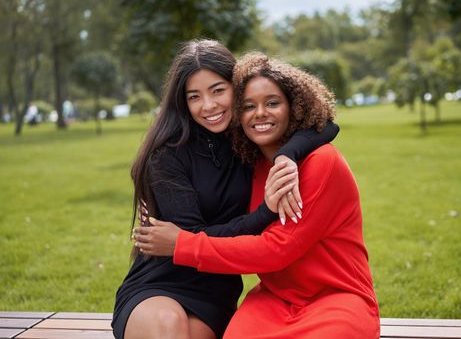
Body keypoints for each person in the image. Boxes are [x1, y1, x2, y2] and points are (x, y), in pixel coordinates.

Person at [134, 52, 380, 338]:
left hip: (335, 297)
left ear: (294, 106)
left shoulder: (321, 163)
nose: (260, 113)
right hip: (274, 299)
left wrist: (182, 244)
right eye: (249, 106)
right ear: (238, 112)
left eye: (272, 103)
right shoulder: (248, 163)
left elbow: (277, 249)